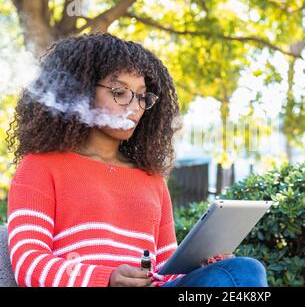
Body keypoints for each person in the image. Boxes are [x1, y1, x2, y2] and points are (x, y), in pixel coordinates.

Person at [6, 33, 268, 287]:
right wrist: (106, 279)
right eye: (119, 92)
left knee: (243, 271)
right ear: (80, 92)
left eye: (142, 96)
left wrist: (203, 269)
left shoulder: (151, 179)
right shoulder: (40, 166)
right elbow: (29, 264)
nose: (134, 107)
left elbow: (166, 270)